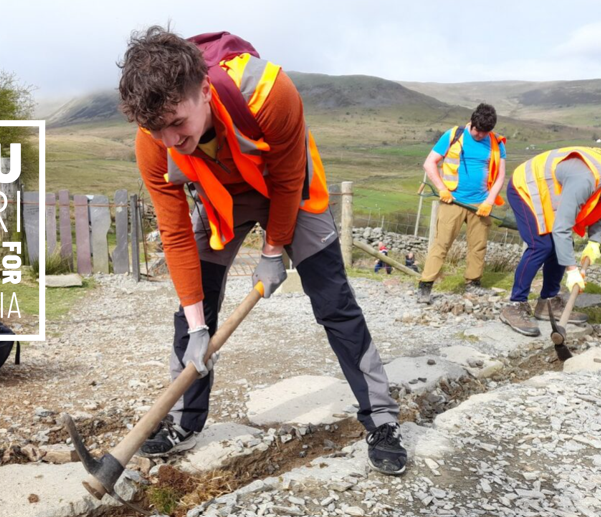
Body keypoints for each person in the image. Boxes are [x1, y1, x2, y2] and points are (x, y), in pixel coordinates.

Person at [118, 27, 406, 475]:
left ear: (206, 90)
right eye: (158, 130)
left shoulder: (271, 93)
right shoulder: (152, 141)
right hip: (222, 203)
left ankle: (382, 420)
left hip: (288, 191)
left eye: (178, 123)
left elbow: (290, 181)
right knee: (192, 313)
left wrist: (273, 251)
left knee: (335, 305)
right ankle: (183, 422)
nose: (170, 140)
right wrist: (198, 327)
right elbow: (174, 234)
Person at [499, 147, 601, 336]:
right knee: (541, 245)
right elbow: (561, 228)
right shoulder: (585, 179)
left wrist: (594, 242)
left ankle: (547, 302)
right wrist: (572, 270)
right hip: (527, 187)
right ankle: (515, 305)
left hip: (551, 192)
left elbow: (598, 209)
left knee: (562, 246)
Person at [416, 104, 507, 304]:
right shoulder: (454, 135)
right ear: (472, 122)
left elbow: (500, 175)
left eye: (485, 132)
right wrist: (441, 188)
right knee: (442, 244)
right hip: (453, 201)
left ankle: (473, 284)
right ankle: (425, 286)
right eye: (477, 131)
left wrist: (489, 201)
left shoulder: (496, 142)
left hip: (481, 204)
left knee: (478, 246)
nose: (480, 135)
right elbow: (429, 163)